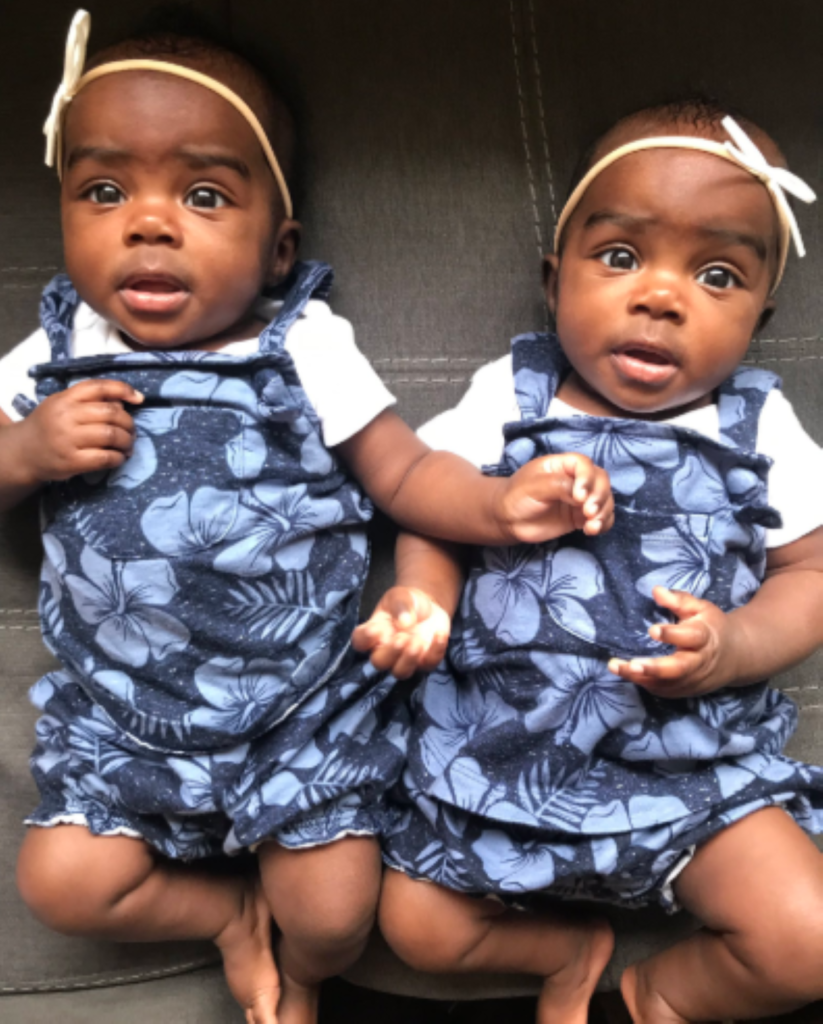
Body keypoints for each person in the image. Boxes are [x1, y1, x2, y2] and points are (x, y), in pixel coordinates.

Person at [0, 11, 613, 1024]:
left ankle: (293, 950)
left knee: (331, 923)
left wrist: (500, 503)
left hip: (300, 712)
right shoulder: (54, 353)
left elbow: (404, 473)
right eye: (103, 190)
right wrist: (23, 453)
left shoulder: (304, 346)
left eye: (203, 195)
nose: (147, 223)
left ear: (278, 249)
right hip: (123, 718)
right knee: (60, 883)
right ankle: (227, 918)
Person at [354, 100, 823, 1023]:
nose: (660, 297)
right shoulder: (511, 394)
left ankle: (659, 997)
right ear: (552, 278)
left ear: (759, 317)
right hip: (497, 760)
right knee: (416, 928)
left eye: (717, 275)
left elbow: (809, 575)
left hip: (688, 769)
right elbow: (434, 508)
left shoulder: (758, 424)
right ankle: (565, 953)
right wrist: (423, 596)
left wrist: (733, 647)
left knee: (807, 939)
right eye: (618, 256)